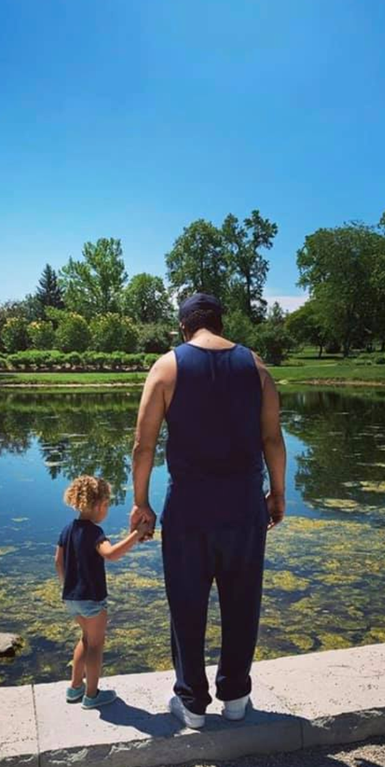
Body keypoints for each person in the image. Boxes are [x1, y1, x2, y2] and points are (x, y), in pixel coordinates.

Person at [130, 293, 286, 729]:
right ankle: (236, 697)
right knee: (242, 602)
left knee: (186, 603)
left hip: (189, 511)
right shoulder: (255, 366)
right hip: (243, 507)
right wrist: (277, 492)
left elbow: (143, 446)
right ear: (219, 323)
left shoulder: (167, 367)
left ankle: (192, 702)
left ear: (184, 327)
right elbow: (272, 439)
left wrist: (142, 503)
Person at [56, 475, 151, 709]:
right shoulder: (94, 533)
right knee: (96, 645)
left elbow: (58, 561)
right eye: (107, 505)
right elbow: (111, 554)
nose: (107, 510)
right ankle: (91, 695)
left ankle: (74, 687)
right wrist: (136, 534)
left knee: (86, 640)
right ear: (98, 505)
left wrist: (68, 586)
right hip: (92, 599)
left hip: (72, 598)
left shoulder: (68, 530)